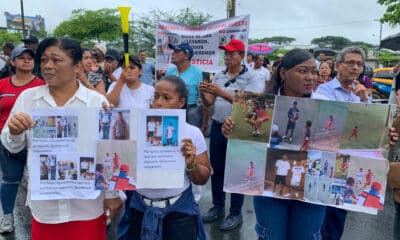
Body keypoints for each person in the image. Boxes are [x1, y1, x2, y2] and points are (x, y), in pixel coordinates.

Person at [0, 37, 123, 240]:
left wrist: (111, 194)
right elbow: (12, 147)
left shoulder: (96, 102)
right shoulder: (28, 99)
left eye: (56, 60)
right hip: (45, 208)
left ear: (77, 66)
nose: (47, 66)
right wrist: (14, 131)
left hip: (87, 206)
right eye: (44, 60)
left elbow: (109, 150)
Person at [222, 49, 328, 239]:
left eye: (314, 71)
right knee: (271, 235)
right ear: (284, 73)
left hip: (310, 189)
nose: (311, 77)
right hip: (269, 188)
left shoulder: (324, 104)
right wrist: (230, 130)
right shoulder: (261, 103)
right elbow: (246, 141)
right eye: (303, 71)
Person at [128, 75, 211, 240]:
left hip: (178, 213)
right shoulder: (135, 128)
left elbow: (202, 178)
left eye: (166, 98)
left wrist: (192, 164)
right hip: (140, 208)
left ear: (181, 102)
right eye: (156, 96)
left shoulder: (192, 133)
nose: (158, 103)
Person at [199, 39, 263, 231]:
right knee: (217, 168)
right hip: (219, 126)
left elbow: (253, 103)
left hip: (239, 128)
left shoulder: (253, 77)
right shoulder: (219, 75)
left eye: (231, 53)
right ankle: (218, 206)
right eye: (225, 54)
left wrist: (222, 92)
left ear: (241, 56)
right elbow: (210, 102)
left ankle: (235, 212)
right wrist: (203, 93)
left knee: (237, 171)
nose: (227, 57)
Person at [316, 46, 373, 240]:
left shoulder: (363, 95)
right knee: (321, 215)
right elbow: (329, 127)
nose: (355, 67)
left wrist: (364, 101)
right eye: (350, 62)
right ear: (338, 66)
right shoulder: (324, 91)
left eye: (359, 64)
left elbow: (369, 128)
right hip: (326, 159)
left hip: (349, 162)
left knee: (338, 215)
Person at [0, 47, 45, 233]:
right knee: (10, 180)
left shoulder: (42, 84)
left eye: (30, 58)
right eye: (21, 58)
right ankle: (7, 216)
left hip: (38, 141)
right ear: (12, 62)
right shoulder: (2, 85)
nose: (26, 61)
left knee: (38, 179)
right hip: (8, 140)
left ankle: (39, 218)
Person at [166, 42, 203, 128]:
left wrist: (204, 124)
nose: (173, 53)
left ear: (186, 56)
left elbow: (202, 98)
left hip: (191, 112)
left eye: (176, 51)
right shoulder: (169, 72)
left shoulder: (197, 72)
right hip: (172, 109)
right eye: (173, 51)